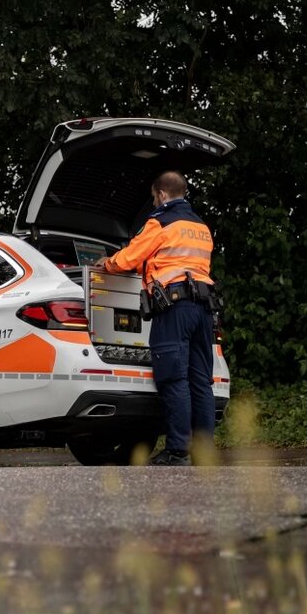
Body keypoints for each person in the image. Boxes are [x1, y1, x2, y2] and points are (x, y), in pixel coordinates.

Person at [99, 171, 218, 466]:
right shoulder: (201, 226)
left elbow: (130, 258)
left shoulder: (160, 221)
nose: (154, 203)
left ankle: (178, 451)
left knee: (173, 377)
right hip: (204, 308)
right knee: (201, 381)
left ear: (162, 195)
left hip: (175, 308)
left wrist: (107, 263)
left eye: (154, 198)